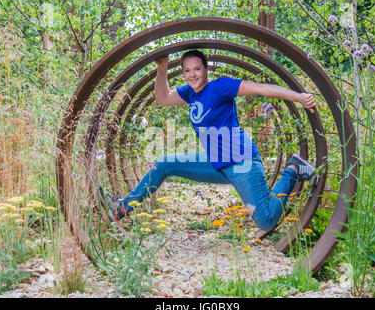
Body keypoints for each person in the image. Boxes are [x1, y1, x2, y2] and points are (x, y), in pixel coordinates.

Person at [99, 49, 317, 234]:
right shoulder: (190, 93)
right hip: (216, 162)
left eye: (197, 69)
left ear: (206, 69)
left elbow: (262, 89)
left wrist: (298, 97)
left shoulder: (220, 87)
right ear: (183, 73)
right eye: (187, 70)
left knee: (266, 221)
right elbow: (162, 98)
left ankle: (292, 168)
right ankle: (122, 208)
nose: (192, 75)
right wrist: (162, 66)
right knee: (164, 164)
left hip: (241, 161)